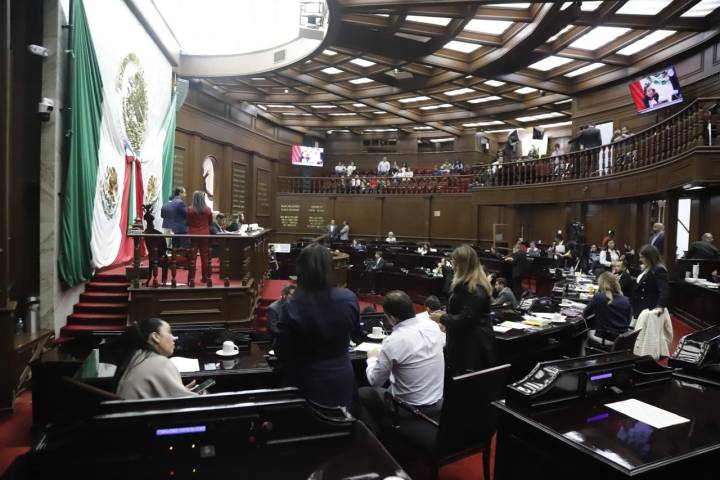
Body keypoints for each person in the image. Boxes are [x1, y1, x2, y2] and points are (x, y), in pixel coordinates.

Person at [275, 244, 360, 411]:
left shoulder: (293, 306)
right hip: (343, 376)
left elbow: (281, 351)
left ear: (301, 271)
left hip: (307, 381)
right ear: (330, 268)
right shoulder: (349, 298)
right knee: (342, 421)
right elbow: (355, 332)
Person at [359, 291, 445, 437]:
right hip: (438, 403)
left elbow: (375, 381)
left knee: (362, 393)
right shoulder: (433, 326)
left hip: (408, 409)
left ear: (392, 318)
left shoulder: (393, 341)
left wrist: (372, 358)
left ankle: (379, 439)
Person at [430, 245, 496, 375]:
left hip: (472, 348)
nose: (453, 266)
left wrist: (442, 318)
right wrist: (448, 321)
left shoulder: (474, 288)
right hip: (466, 342)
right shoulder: (468, 284)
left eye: (455, 263)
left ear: (463, 265)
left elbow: (466, 319)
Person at [114, 318, 198, 399]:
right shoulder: (160, 362)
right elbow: (184, 402)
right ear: (155, 337)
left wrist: (182, 390)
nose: (174, 338)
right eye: (169, 332)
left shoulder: (138, 358)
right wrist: (202, 395)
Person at [583, 272, 632, 349]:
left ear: (601, 284)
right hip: (620, 341)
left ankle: (583, 355)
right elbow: (628, 321)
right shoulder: (626, 300)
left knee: (582, 334)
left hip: (603, 338)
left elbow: (585, 315)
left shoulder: (598, 297)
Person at [632, 244, 669, 318]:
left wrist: (660, 306)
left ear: (650, 257)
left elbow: (664, 290)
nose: (640, 260)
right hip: (639, 305)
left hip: (649, 307)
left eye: (642, 257)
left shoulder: (659, 269)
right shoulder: (647, 268)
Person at [186, 191, 213, 281]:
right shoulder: (208, 210)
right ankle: (205, 277)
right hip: (205, 235)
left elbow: (187, 222)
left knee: (192, 257)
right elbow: (210, 223)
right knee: (205, 256)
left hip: (193, 234)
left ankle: (191, 278)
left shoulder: (190, 209)